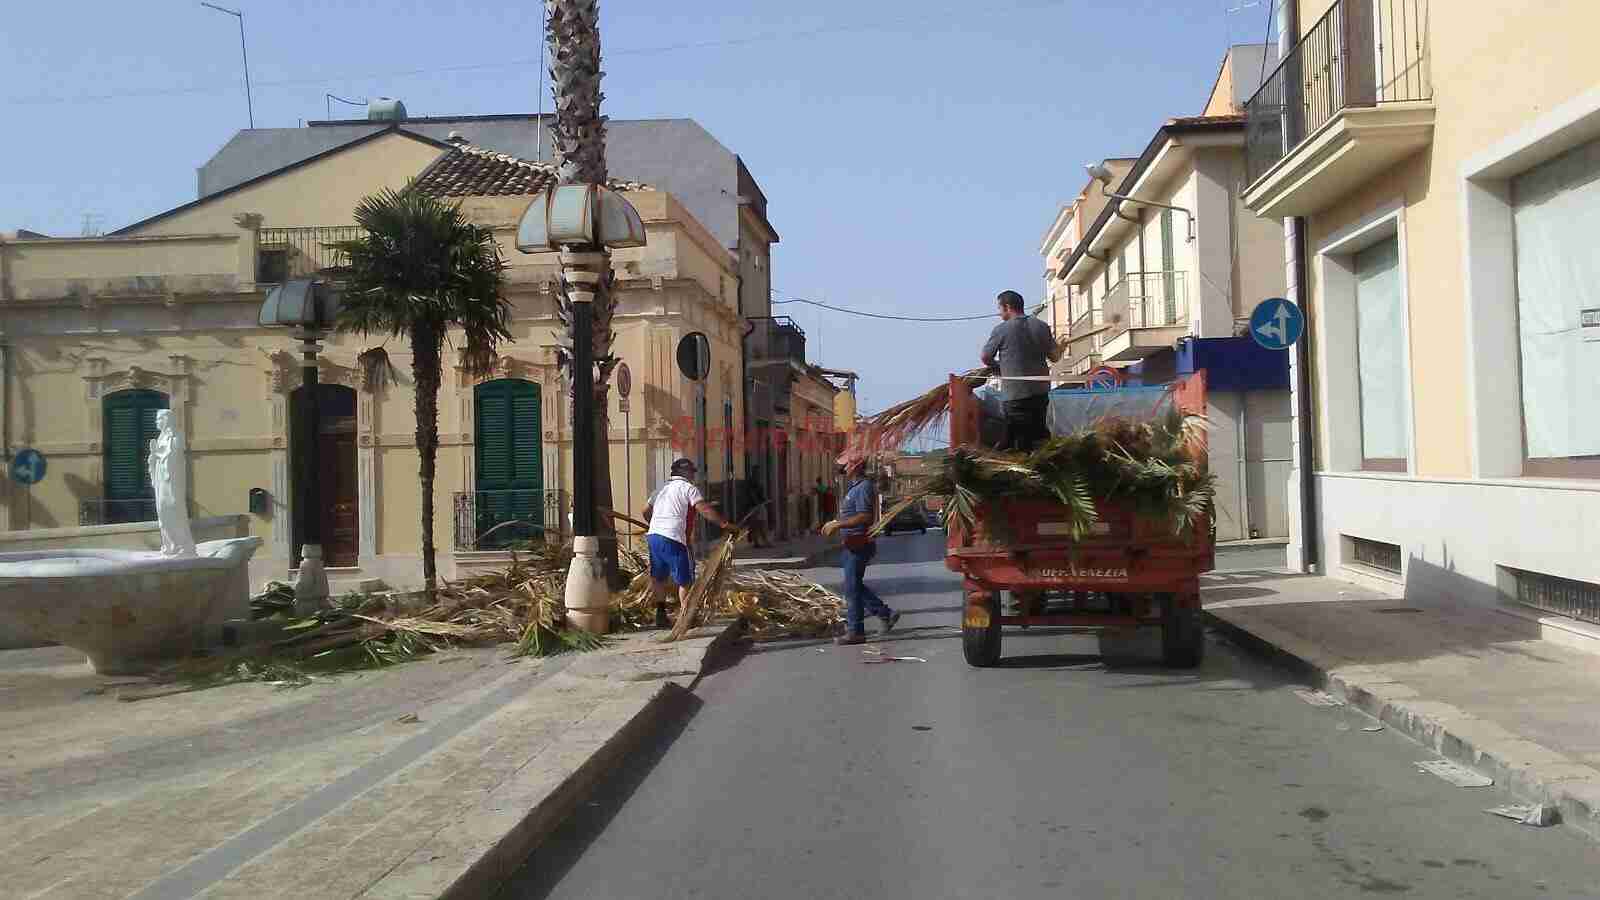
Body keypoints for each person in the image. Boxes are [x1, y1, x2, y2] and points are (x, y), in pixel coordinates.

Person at [643, 458, 736, 628]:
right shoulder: (689, 489)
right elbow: (705, 510)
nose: (694, 475)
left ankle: (661, 614)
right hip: (675, 539)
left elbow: (645, 511)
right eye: (692, 472)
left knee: (659, 578)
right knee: (685, 580)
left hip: (654, 537)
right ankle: (686, 617)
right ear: (685, 472)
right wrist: (725, 524)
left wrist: (656, 524)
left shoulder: (660, 489)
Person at [821, 459, 900, 645]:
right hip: (851, 543)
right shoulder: (854, 487)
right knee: (853, 585)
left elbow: (865, 516)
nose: (843, 467)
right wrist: (835, 523)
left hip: (859, 543)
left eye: (846, 464)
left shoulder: (864, 487)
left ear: (855, 466)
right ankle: (885, 613)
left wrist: (838, 524)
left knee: (851, 587)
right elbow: (851, 514)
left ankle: (856, 631)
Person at [980, 290, 1064, 452]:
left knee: (1017, 440)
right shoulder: (1041, 326)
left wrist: (999, 368)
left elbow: (985, 357)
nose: (999, 313)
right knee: (1038, 434)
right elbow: (1054, 357)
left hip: (1015, 395)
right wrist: (1061, 347)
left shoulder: (1001, 330)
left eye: (999, 308)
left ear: (1007, 307)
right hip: (1040, 393)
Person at [743, 467, 770, 548]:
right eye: (757, 472)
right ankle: (758, 542)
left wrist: (764, 500)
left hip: (759, 505)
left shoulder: (757, 481)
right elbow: (752, 493)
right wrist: (758, 503)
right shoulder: (752, 482)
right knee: (757, 524)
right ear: (754, 472)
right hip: (755, 506)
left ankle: (762, 541)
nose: (759, 474)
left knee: (761, 524)